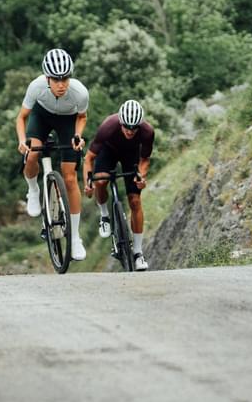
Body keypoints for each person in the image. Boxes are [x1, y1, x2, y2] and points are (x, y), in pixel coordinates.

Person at [16, 48, 89, 261]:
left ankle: (75, 238)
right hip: (41, 116)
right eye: (56, 80)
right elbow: (21, 118)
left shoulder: (80, 93)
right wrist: (22, 141)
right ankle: (33, 189)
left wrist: (77, 135)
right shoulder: (36, 87)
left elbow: (82, 117)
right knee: (32, 155)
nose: (61, 84)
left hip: (68, 120)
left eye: (65, 79)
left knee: (70, 178)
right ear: (47, 78)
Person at [84, 99, 154, 271]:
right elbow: (89, 158)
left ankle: (138, 253)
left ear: (140, 125)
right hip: (108, 150)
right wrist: (88, 183)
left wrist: (141, 177)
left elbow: (144, 160)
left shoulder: (147, 131)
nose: (130, 131)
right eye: (126, 127)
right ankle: (105, 215)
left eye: (134, 128)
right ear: (120, 122)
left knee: (135, 201)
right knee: (100, 181)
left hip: (130, 154)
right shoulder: (108, 126)